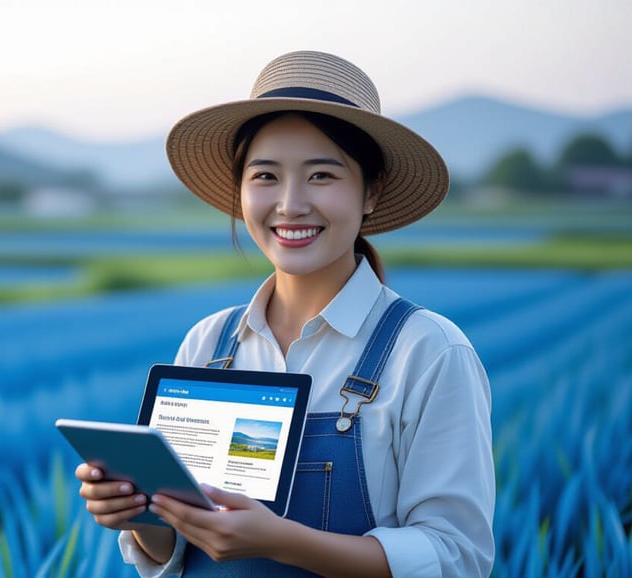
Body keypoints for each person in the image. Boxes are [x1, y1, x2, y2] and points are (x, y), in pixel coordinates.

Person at [75, 50, 494, 577]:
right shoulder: (209, 344)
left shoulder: (428, 351)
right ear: (241, 190)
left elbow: (458, 558)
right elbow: (173, 552)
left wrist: (283, 542)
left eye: (321, 176)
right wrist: (139, 517)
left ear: (372, 191)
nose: (290, 204)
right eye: (266, 176)